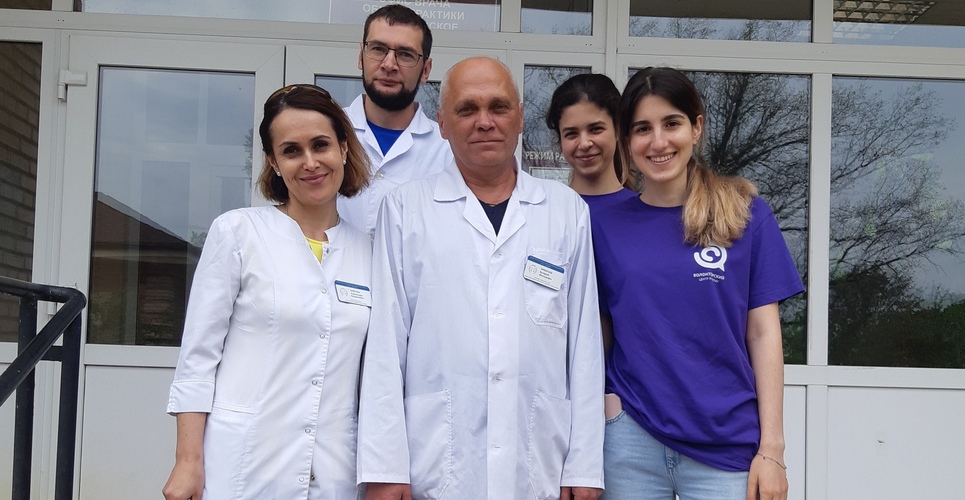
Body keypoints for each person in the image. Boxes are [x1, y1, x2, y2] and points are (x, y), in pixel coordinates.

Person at [356, 57, 605, 500]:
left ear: (520, 118)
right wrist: (385, 467)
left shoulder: (566, 211)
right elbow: (384, 346)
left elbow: (584, 348)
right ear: (442, 124)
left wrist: (584, 466)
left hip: (539, 460)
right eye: (467, 109)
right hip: (434, 459)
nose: (484, 122)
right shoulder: (405, 209)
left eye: (498, 107)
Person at [594, 67, 804, 500]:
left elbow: (763, 333)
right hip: (631, 440)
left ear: (696, 127)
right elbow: (597, 334)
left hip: (726, 446)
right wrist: (605, 404)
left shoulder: (746, 215)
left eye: (671, 123)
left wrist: (772, 448)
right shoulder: (605, 226)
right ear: (626, 140)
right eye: (642, 129)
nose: (658, 142)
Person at [163, 84, 373, 500]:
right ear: (274, 162)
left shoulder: (369, 252)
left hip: (334, 471)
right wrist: (187, 461)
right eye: (291, 151)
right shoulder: (238, 232)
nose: (310, 162)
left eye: (321, 145)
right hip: (243, 464)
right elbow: (198, 358)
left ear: (344, 149)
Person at [339, 4, 453, 237]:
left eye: (405, 54)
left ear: (426, 70)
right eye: (378, 49)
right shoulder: (327, 132)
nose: (389, 64)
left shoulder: (449, 150)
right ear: (361, 56)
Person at [545, 73, 636, 211]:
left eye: (595, 129)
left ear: (617, 130)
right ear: (560, 140)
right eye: (571, 133)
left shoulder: (644, 213)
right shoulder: (547, 212)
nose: (584, 144)